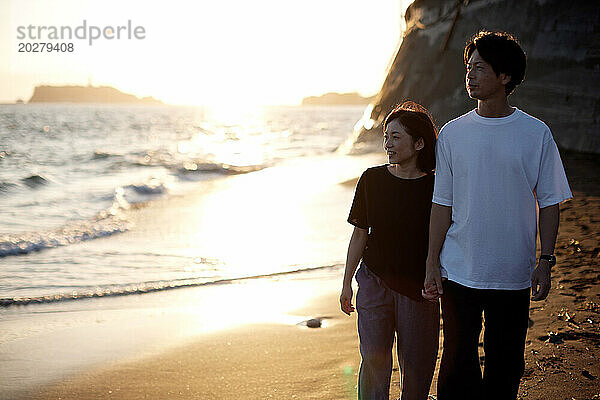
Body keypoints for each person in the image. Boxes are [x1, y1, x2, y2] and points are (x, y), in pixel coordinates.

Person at [422, 31, 572, 399]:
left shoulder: (536, 134)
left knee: (505, 364)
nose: (469, 74)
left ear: (505, 77)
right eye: (468, 67)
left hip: (513, 272)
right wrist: (431, 262)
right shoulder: (453, 134)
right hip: (459, 270)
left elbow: (550, 202)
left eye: (480, 68)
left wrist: (546, 261)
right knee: (457, 365)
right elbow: (442, 203)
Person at [340, 101, 439, 400]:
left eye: (396, 137)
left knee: (417, 366)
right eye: (386, 136)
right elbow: (360, 234)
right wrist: (346, 283)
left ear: (419, 143)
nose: (388, 144)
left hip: (417, 288)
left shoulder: (436, 187)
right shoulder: (372, 179)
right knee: (373, 359)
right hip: (374, 281)